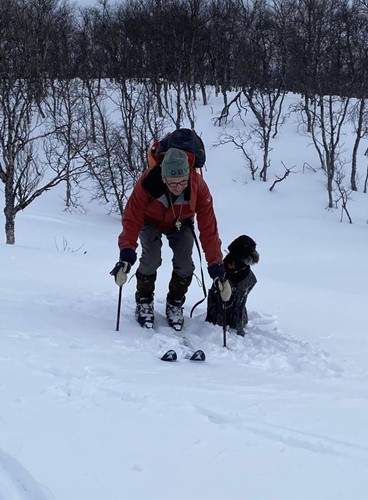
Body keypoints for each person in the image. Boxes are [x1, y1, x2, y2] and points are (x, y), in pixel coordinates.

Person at [111, 146, 231, 330]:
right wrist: (126, 255)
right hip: (149, 221)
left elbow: (209, 228)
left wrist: (216, 268)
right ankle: (144, 300)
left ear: (189, 176)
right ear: (163, 177)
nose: (178, 188)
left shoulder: (198, 186)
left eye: (182, 183)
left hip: (181, 222)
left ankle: (175, 303)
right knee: (151, 258)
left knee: (185, 263)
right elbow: (132, 218)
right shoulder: (148, 182)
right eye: (172, 183)